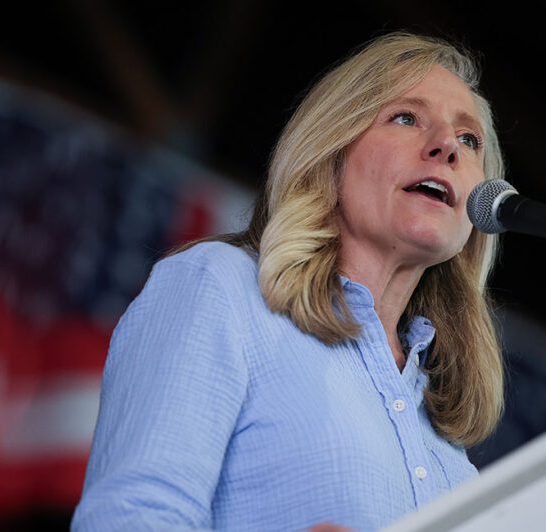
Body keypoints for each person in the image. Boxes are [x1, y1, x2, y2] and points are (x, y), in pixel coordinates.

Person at [71, 32, 506, 532]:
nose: (448, 146)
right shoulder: (223, 288)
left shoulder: (446, 437)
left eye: (469, 140)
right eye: (406, 117)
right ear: (330, 149)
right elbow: (128, 519)